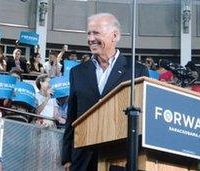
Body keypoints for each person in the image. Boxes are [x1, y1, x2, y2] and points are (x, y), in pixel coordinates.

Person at [62, 13, 149, 171]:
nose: (90, 38)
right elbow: (72, 116)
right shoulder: (77, 72)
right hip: (82, 159)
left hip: (120, 157)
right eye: (89, 33)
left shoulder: (136, 71)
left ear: (114, 35)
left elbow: (144, 119)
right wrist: (67, 157)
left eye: (96, 33)